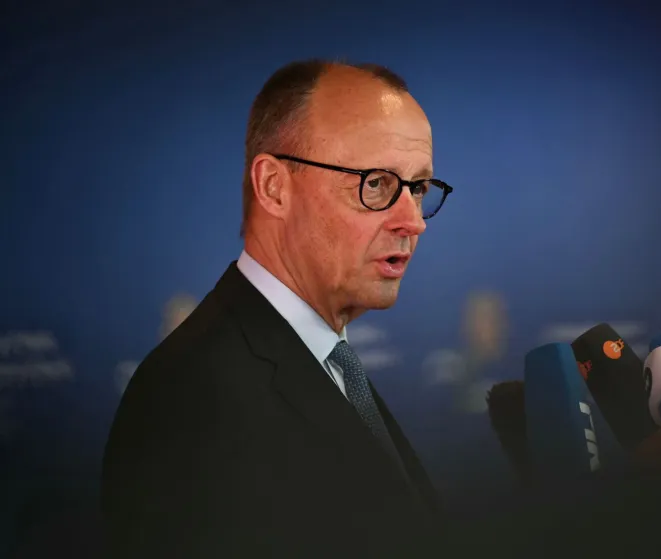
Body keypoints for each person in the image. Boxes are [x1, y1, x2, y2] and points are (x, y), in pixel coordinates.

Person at [101, 60, 454, 558]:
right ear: (274, 187)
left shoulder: (328, 360)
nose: (413, 222)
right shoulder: (190, 398)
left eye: (417, 189)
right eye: (376, 184)